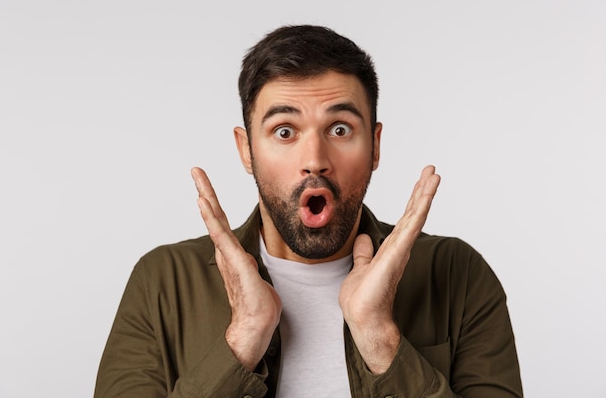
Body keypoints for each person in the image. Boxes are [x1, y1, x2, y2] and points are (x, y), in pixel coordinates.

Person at [94, 25, 523, 398]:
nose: (314, 158)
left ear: (375, 146)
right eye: (284, 131)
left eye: (340, 129)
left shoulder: (457, 274)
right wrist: (242, 340)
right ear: (246, 150)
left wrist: (381, 341)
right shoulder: (162, 282)